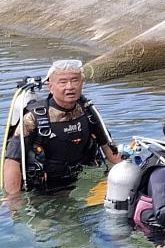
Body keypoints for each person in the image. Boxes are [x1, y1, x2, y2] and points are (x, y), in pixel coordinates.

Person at [2, 59, 122, 195]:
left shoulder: (89, 112)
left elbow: (109, 149)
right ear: (50, 86)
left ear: (82, 84)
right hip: (43, 190)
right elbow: (12, 161)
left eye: (75, 80)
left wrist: (129, 169)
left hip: (82, 180)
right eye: (63, 82)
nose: (70, 87)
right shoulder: (33, 118)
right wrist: (14, 200)